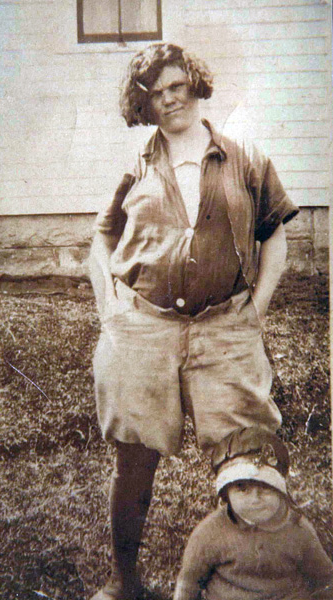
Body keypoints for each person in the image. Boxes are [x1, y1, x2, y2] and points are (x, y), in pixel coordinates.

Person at [89, 43, 299, 600]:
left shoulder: (244, 158)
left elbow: (275, 236)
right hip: (144, 329)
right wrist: (109, 309)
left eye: (177, 86)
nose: (169, 99)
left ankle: (254, 584)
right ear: (144, 105)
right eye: (155, 93)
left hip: (224, 326)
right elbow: (102, 240)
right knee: (134, 459)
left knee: (248, 455)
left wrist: (256, 311)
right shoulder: (135, 165)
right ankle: (125, 580)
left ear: (195, 85)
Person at [173, 427, 333, 600]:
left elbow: (324, 578)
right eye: (242, 488)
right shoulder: (209, 532)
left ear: (281, 492)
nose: (255, 499)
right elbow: (189, 582)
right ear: (226, 494)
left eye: (265, 487)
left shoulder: (298, 529)